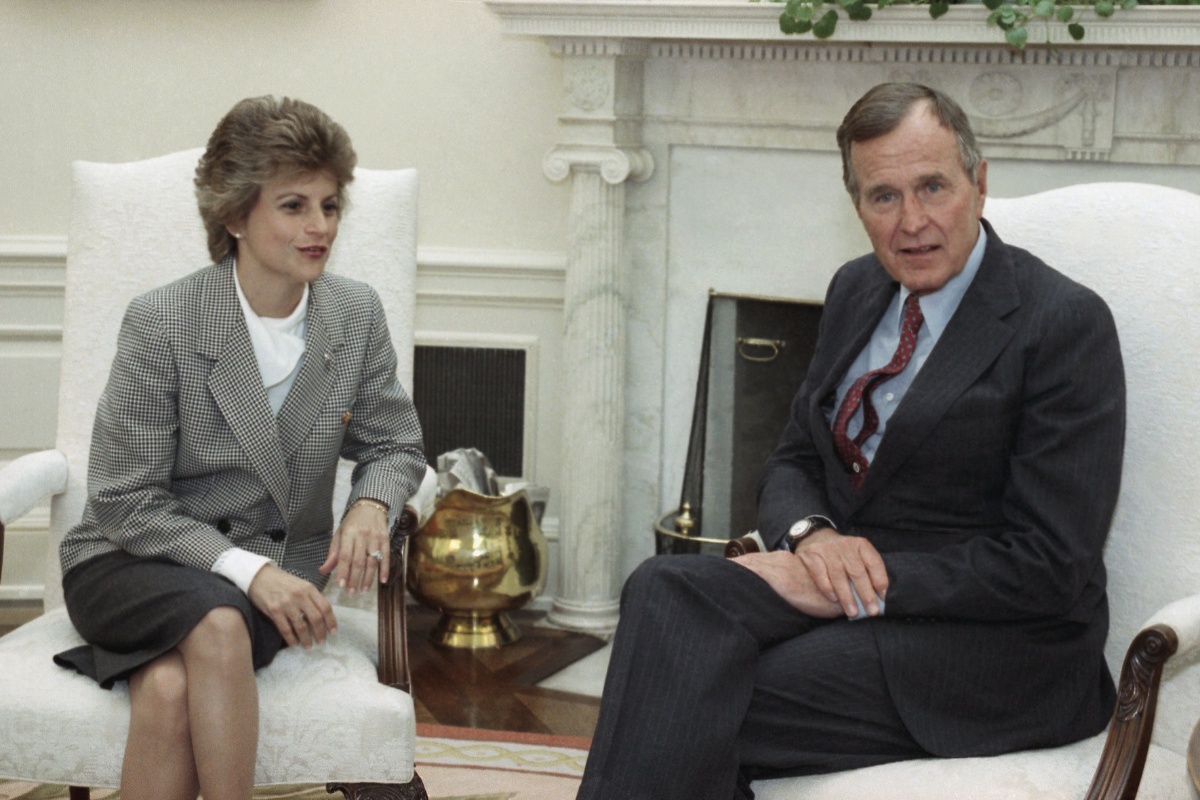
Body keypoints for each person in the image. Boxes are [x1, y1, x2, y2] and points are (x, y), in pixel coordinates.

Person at [577, 82, 1126, 800]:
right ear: (857, 206)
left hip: (987, 648)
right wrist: (812, 540)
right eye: (883, 197)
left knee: (698, 690)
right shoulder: (858, 290)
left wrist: (858, 586)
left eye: (933, 186)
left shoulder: (1061, 325)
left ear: (980, 182)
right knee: (661, 589)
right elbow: (795, 458)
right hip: (844, 586)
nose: (913, 222)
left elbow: (1051, 563)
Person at [53, 96, 426, 800]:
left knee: (165, 689)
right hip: (131, 560)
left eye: (330, 204)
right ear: (233, 217)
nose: (320, 227)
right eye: (293, 206)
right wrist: (250, 573)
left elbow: (395, 442)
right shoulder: (161, 322)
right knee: (219, 623)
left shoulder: (355, 313)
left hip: (277, 578)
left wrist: (372, 502)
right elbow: (122, 500)